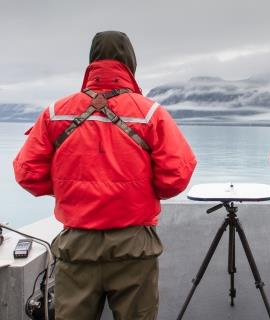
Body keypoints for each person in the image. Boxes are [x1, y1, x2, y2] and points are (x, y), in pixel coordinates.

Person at [13, 31, 197, 320]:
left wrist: (69, 187)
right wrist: (141, 190)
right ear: (130, 64)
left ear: (91, 62)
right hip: (134, 246)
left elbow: (27, 173)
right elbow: (177, 174)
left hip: (77, 247)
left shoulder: (55, 112)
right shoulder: (151, 114)